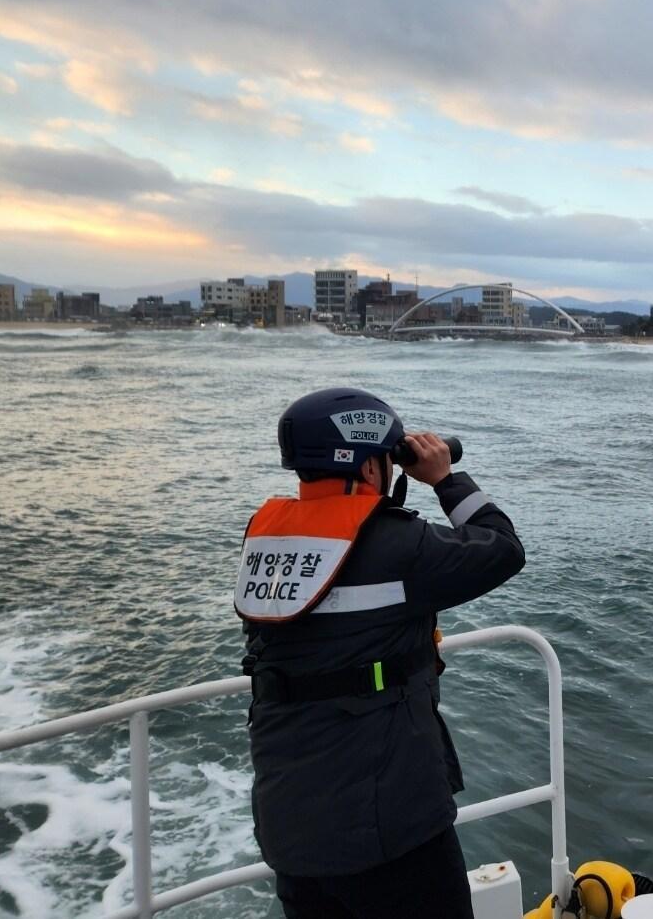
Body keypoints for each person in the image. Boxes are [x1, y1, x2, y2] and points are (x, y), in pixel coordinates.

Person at [236, 387, 525, 919]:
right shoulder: (399, 546)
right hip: (390, 825)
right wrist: (444, 478)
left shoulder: (264, 537)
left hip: (290, 822)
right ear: (371, 466)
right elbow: (503, 549)